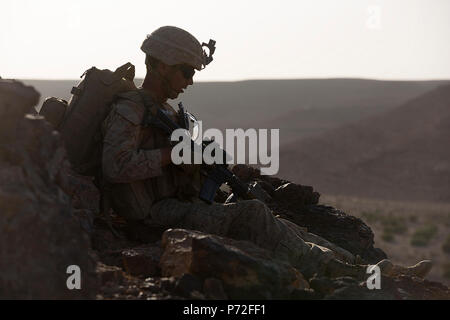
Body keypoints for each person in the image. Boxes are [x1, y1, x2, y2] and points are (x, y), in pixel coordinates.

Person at [101, 26, 432, 281]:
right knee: (252, 215)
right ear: (160, 66)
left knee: (274, 217)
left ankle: (368, 267)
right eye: (185, 71)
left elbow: (183, 163)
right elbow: (115, 167)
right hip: (153, 215)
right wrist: (172, 155)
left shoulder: (167, 111)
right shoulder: (131, 108)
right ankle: (349, 276)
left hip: (180, 204)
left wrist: (221, 167)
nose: (190, 81)